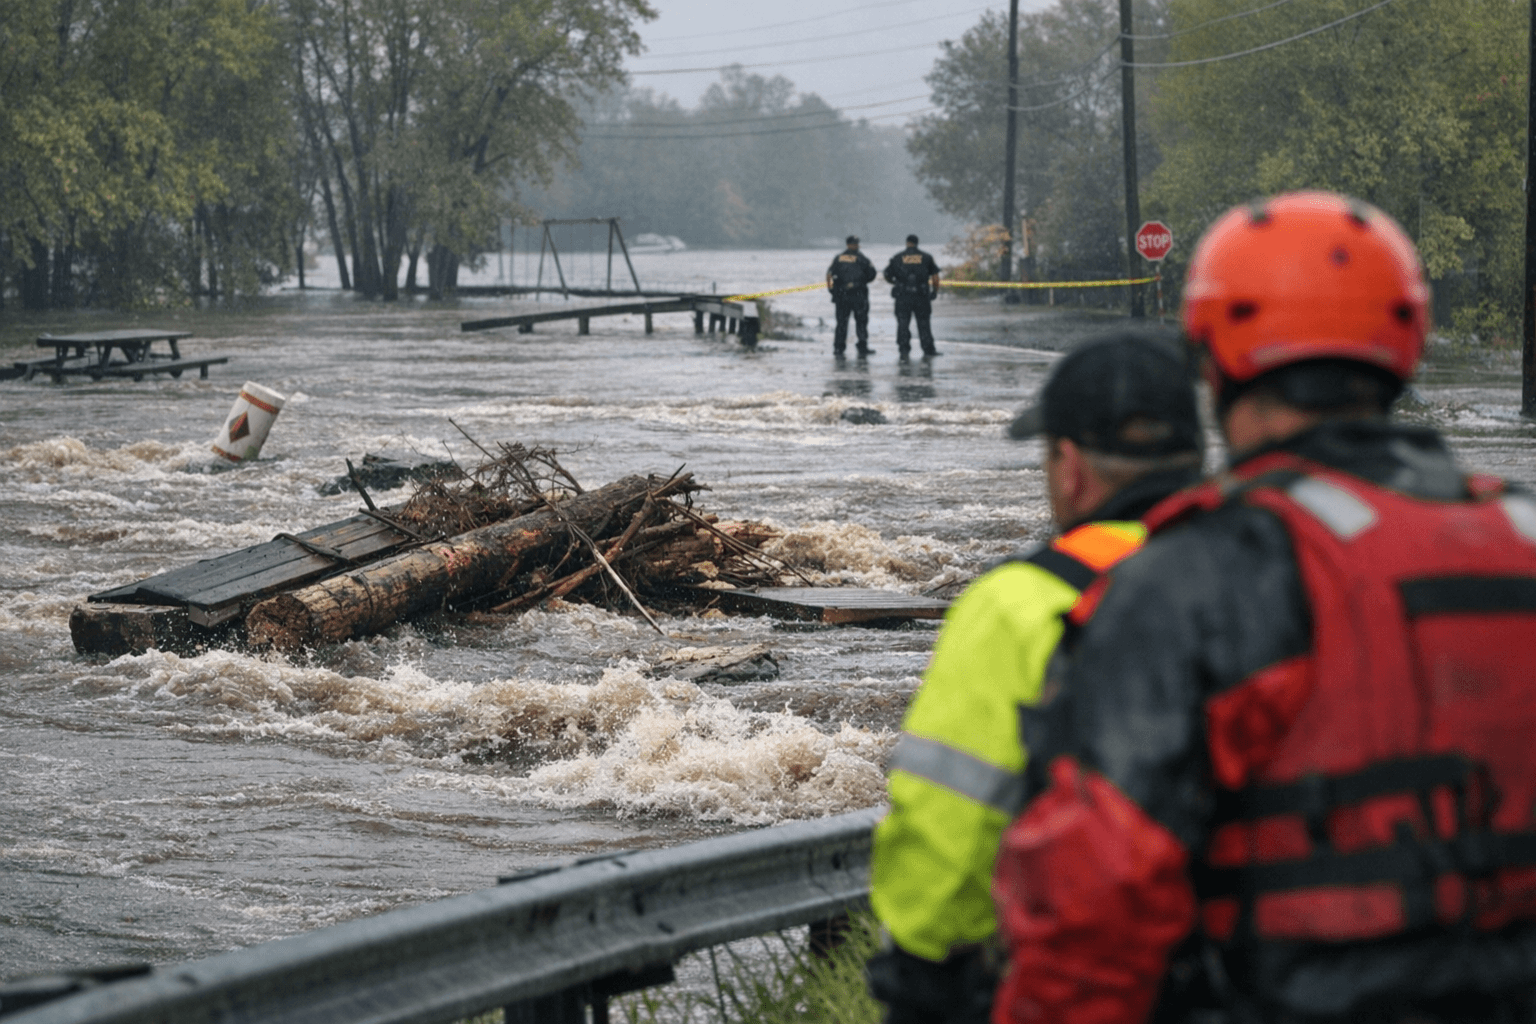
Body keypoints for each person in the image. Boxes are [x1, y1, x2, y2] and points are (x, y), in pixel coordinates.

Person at [991, 191, 1536, 1024]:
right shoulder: (1521, 536)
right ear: (1410, 345)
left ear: (1209, 362)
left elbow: (1091, 902)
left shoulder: (1199, 576)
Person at [866, 332, 1206, 1024]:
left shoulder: (1018, 606)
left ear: (1071, 465)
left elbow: (950, 836)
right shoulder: (1272, 569)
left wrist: (923, 970)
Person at [884, 235, 941, 359]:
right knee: (924, 323)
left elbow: (887, 274)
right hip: (921, 296)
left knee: (903, 323)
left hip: (903, 296)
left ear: (907, 243)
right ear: (917, 243)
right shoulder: (926, 257)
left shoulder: (898, 257)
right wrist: (935, 291)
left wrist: (896, 283)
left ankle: (904, 349)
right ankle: (928, 349)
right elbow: (935, 277)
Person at [827, 235, 878, 356]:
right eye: (855, 244)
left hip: (842, 295)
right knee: (859, 322)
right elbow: (872, 274)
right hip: (858, 294)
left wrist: (832, 290)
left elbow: (829, 274)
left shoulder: (838, 258)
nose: (856, 246)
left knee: (843, 322)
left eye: (857, 243)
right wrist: (862, 281)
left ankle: (840, 347)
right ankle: (861, 347)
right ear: (849, 244)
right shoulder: (862, 258)